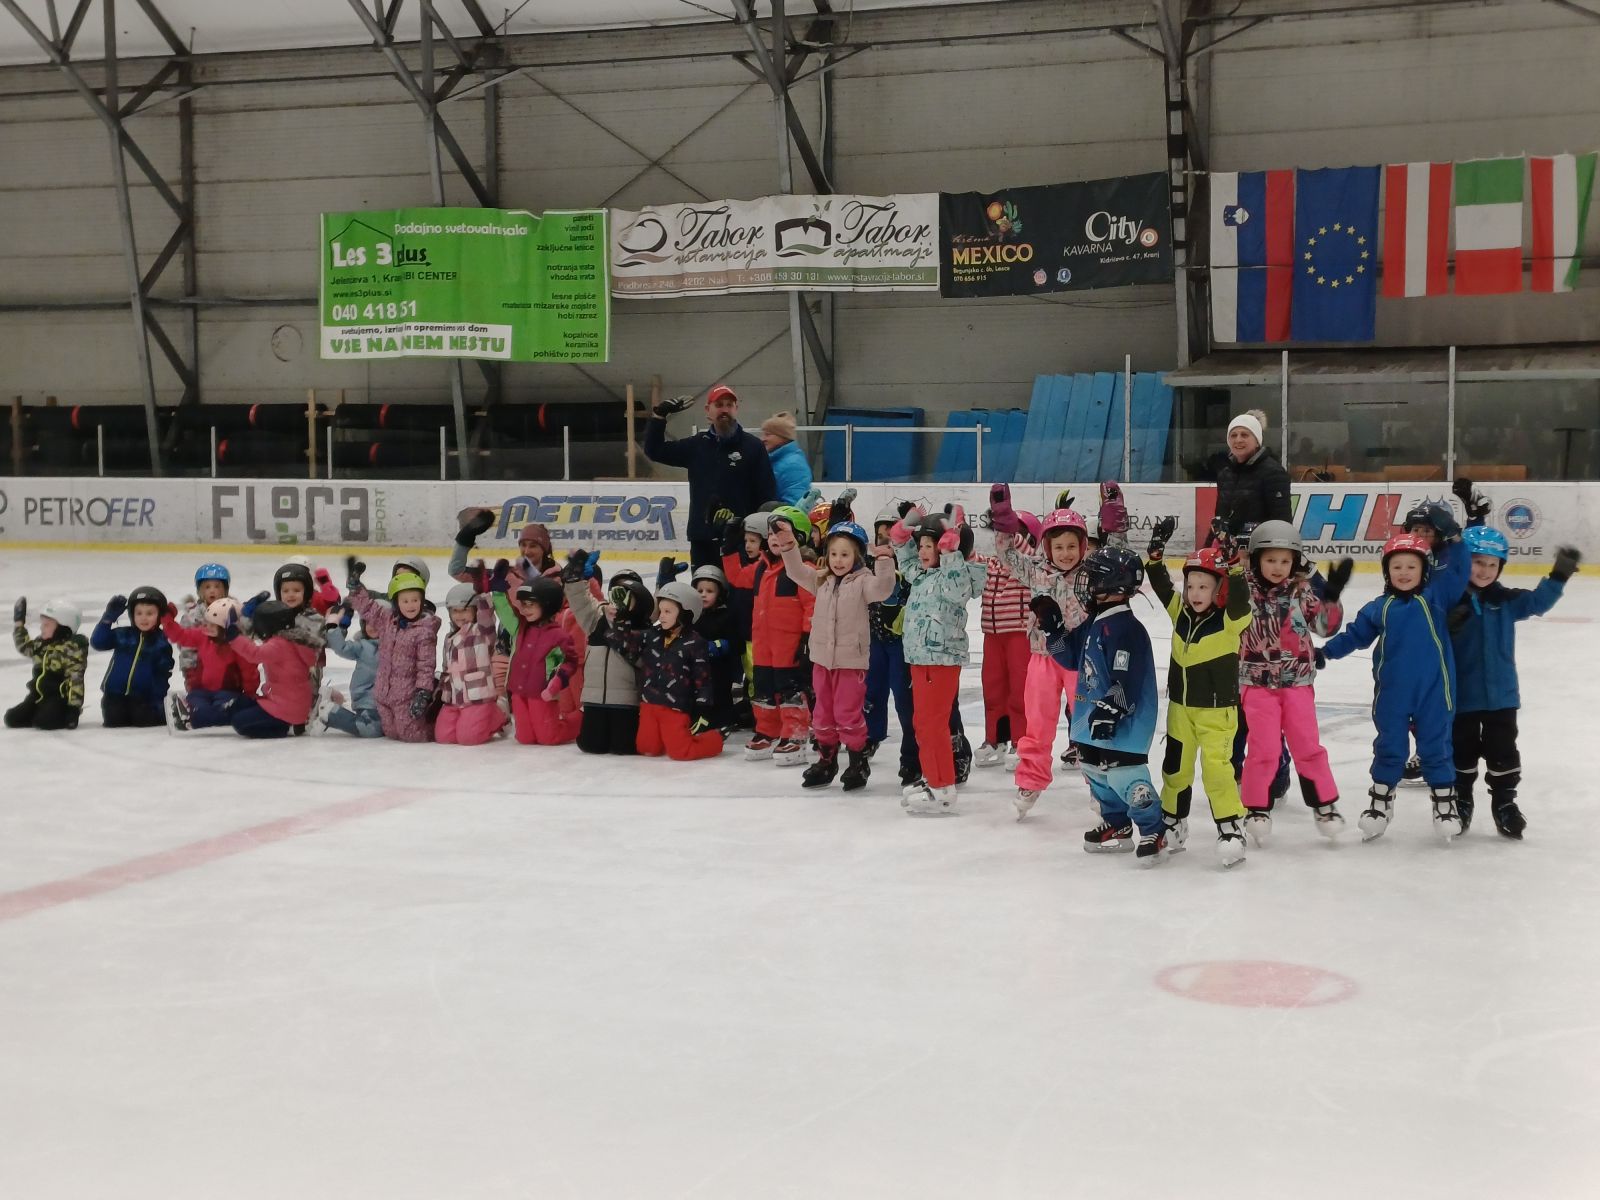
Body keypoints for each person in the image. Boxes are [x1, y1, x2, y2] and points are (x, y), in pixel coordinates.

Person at [1321, 505, 1469, 843]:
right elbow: (1354, 636)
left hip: (1435, 692)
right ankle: (1380, 802)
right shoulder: (1380, 607)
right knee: (1390, 746)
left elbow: (1460, 568)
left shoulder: (1437, 598)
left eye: (1411, 566)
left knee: (1436, 745)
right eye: (1397, 567)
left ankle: (1444, 803)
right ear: (1387, 572)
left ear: (1424, 570)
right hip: (1392, 693)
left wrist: (1455, 537)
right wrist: (1325, 653)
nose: (1404, 573)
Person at [1447, 528, 1579, 838]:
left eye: (1492, 565)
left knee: (1503, 751)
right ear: (1463, 562)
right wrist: (1447, 626)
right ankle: (1461, 799)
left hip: (1502, 697)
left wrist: (1559, 576)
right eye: (1478, 562)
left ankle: (1504, 803)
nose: (1485, 570)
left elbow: (1538, 602)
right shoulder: (1449, 601)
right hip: (1462, 697)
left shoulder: (1505, 600)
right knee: (1461, 751)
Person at [1234, 520, 1352, 844]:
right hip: (1256, 684)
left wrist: (1332, 596)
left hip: (1297, 683)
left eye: (1285, 561)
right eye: (1270, 559)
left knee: (1307, 745)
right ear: (1256, 559)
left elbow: (1326, 628)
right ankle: (1257, 806)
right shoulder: (1243, 592)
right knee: (1264, 748)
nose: (1278, 567)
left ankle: (1324, 804)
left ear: (1295, 562)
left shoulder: (1302, 592)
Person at [1050, 545, 1166, 863]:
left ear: (1111, 582)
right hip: (1092, 715)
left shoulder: (1126, 629)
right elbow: (1070, 657)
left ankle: (1153, 828)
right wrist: (1052, 628)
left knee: (1123, 774)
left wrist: (1111, 709)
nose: (1086, 583)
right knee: (1093, 768)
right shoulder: (1095, 621)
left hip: (1123, 721)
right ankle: (1117, 822)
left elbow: (1126, 676)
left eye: (1093, 578)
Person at [1143, 538, 1251, 868]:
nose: (1195, 593)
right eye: (1190, 585)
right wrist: (1155, 559)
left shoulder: (1230, 620)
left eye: (1204, 586)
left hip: (1217, 712)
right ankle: (1173, 821)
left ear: (1219, 589)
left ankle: (1231, 826)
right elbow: (1163, 589)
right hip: (1181, 708)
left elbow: (1242, 601)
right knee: (1175, 768)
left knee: (1217, 770)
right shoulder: (1180, 613)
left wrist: (1235, 568)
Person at [988, 486, 1092, 820]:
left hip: (1080, 660)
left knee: (1089, 722)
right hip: (1043, 656)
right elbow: (1007, 556)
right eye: (1058, 547)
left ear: (1083, 547)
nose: (1065, 553)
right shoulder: (1036, 570)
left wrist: (1114, 519)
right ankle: (1031, 781)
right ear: (1047, 548)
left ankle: (1101, 784)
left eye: (1072, 546)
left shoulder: (1091, 574)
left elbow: (1119, 554)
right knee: (1038, 724)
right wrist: (1004, 523)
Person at [780, 518, 897, 791]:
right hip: (822, 661)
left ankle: (857, 762)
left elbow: (884, 589)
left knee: (847, 713)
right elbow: (795, 571)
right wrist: (788, 544)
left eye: (845, 554)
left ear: (857, 556)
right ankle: (827, 761)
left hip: (850, 663)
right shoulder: (822, 580)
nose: (838, 560)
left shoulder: (864, 582)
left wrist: (883, 559)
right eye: (833, 554)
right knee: (822, 715)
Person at [889, 506, 985, 816]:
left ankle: (942, 786)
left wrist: (951, 554)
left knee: (933, 724)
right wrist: (901, 534)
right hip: (919, 658)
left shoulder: (953, 577)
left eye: (929, 546)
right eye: (921, 545)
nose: (922, 551)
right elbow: (906, 561)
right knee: (922, 723)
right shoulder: (922, 575)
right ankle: (932, 776)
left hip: (941, 659)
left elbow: (958, 591)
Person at [645, 383, 778, 567]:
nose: (725, 410)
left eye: (729, 405)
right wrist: (660, 416)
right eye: (719, 405)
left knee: (739, 587)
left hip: (741, 541)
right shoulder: (697, 445)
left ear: (736, 409)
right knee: (704, 586)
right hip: (703, 541)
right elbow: (654, 450)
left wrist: (760, 534)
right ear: (708, 410)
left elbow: (766, 493)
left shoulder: (753, 447)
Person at [722, 504, 815, 765]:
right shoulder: (761, 568)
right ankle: (767, 730)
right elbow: (736, 577)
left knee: (789, 690)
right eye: (771, 534)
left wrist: (807, 639)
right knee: (763, 689)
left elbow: (811, 605)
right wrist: (729, 547)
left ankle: (794, 733)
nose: (774, 538)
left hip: (789, 645)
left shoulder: (803, 569)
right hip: (763, 644)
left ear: (799, 538)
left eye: (781, 533)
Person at [614, 580, 725, 761]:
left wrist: (703, 710)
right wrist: (622, 616)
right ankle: (668, 738)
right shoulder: (652, 635)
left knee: (681, 752)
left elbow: (702, 678)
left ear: (685, 613)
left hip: (675, 707)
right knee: (647, 748)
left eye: (668, 612)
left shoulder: (695, 642)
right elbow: (623, 642)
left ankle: (716, 739)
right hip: (649, 704)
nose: (662, 616)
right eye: (660, 611)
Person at [563, 552, 651, 756]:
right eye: (616, 592)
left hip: (626, 701)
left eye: (627, 594)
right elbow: (580, 602)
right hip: (594, 698)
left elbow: (646, 662)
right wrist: (575, 579)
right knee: (590, 745)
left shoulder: (642, 627)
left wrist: (625, 638)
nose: (620, 599)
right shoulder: (597, 619)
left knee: (624, 747)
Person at [345, 560, 441, 744]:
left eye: (415, 600)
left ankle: (437, 721)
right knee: (390, 732)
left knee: (411, 735)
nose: (411, 605)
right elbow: (368, 608)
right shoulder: (387, 621)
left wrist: (422, 692)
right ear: (396, 602)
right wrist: (356, 588)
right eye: (405, 601)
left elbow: (426, 666)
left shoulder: (424, 631)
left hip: (407, 695)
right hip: (383, 693)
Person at [972, 506, 1037, 771]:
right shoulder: (991, 563)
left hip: (1019, 635)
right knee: (993, 689)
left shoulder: (1030, 563)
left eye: (1013, 532)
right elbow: (970, 560)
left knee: (1019, 691)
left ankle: (1020, 740)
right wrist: (957, 536)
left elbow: (1021, 550)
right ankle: (996, 738)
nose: (1003, 538)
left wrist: (1009, 531)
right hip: (992, 634)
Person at [217, 600, 320, 738]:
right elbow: (255, 639)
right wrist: (242, 620)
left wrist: (234, 638)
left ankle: (282, 728)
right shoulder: (292, 639)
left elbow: (254, 654)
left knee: (239, 722)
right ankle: (289, 722)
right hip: (289, 703)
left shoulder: (279, 645)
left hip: (286, 710)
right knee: (241, 704)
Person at [161, 596, 261, 732]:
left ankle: (200, 716)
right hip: (200, 691)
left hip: (228, 692)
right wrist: (167, 619)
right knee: (201, 708)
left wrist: (250, 694)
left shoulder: (238, 644)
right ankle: (192, 710)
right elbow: (180, 636)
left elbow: (249, 671)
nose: (207, 627)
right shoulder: (203, 636)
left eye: (213, 625)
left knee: (221, 712)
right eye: (207, 622)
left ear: (227, 627)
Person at [502, 576, 579, 746]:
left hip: (542, 692)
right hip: (518, 691)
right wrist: (498, 591)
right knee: (525, 738)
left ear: (547, 605)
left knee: (548, 737)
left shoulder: (558, 635)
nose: (525, 610)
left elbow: (571, 662)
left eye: (531, 605)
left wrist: (556, 683)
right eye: (523, 604)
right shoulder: (520, 627)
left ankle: (579, 720)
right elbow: (505, 611)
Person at [433, 582, 508, 747]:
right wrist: (442, 688)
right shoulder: (449, 638)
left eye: (465, 610)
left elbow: (487, 615)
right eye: (455, 611)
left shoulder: (482, 632)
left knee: (469, 738)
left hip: (478, 696)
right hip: (454, 697)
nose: (459, 615)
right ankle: (468, 718)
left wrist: (482, 595)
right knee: (444, 736)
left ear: (475, 610)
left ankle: (499, 713)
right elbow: (446, 666)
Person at [91, 585, 173, 728]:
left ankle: (155, 712)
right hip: (115, 694)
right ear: (132, 615)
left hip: (143, 697)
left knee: (143, 720)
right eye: (139, 613)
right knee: (114, 720)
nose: (143, 618)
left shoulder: (160, 642)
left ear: (159, 615)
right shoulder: (123, 634)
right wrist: (108, 618)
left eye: (149, 613)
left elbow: (162, 674)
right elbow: (98, 642)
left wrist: (158, 701)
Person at [7, 597, 87, 731]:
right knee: (12, 719)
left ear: (62, 627)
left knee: (45, 722)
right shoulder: (41, 643)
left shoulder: (71, 649)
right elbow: (25, 647)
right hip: (37, 696)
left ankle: (55, 713)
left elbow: (76, 681)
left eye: (46, 625)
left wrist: (73, 708)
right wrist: (19, 623)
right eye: (42, 624)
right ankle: (40, 710)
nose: (41, 628)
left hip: (58, 698)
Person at [1210, 409, 1292, 540]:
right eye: (1233, 435)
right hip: (1228, 548)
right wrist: (1209, 546)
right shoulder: (1225, 474)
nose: (1238, 440)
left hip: (1260, 548)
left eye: (1244, 435)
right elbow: (1221, 519)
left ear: (1257, 440)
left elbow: (1282, 524)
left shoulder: (1274, 473)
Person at [317, 603, 383, 739]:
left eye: (378, 622)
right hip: (367, 699)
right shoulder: (363, 646)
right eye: (368, 622)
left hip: (389, 701)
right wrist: (332, 626)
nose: (372, 626)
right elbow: (341, 647)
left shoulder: (397, 646)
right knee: (371, 729)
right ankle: (330, 713)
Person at [761, 411, 813, 505]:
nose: (763, 439)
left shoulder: (794, 465)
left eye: (768, 434)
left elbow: (795, 503)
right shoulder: (775, 460)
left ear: (782, 436)